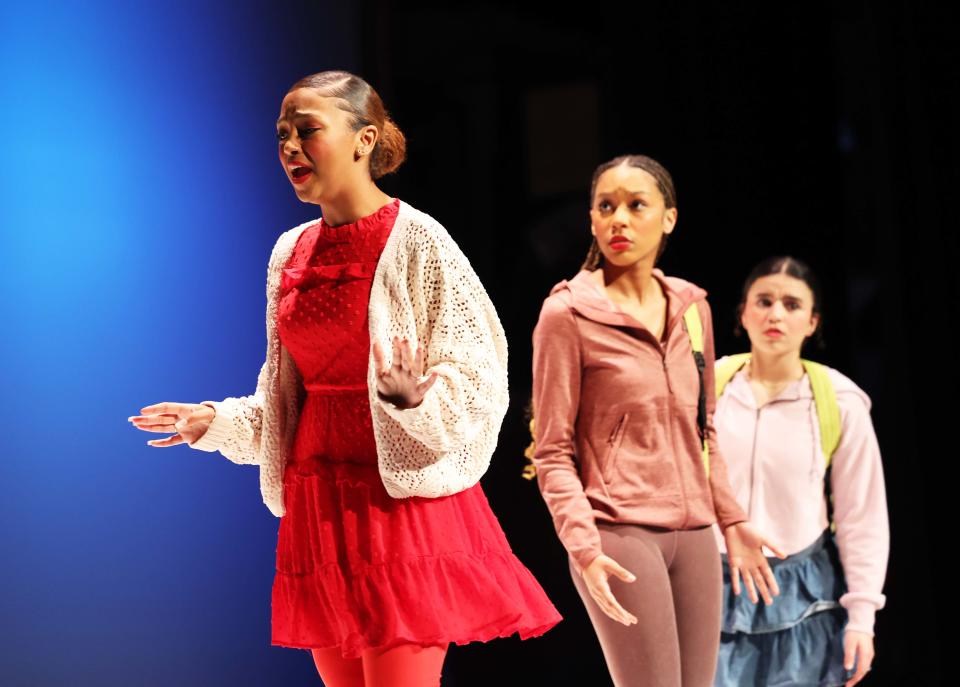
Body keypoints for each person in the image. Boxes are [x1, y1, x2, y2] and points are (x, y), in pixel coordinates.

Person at [128, 70, 560, 687]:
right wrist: (214, 420)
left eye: (308, 131)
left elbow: (480, 375)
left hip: (398, 503)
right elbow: (287, 398)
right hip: (320, 502)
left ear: (365, 140)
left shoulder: (418, 241)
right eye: (282, 135)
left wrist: (414, 400)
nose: (290, 148)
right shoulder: (290, 252)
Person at [528, 153, 783, 687]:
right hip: (619, 531)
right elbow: (551, 451)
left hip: (694, 532)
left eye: (636, 205)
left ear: (668, 217)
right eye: (606, 206)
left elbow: (704, 428)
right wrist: (584, 546)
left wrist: (732, 521)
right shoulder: (567, 314)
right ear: (593, 221)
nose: (619, 219)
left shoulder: (693, 307)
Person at [711, 256, 889, 687]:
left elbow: (861, 516)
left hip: (805, 597)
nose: (776, 314)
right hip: (713, 586)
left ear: (812, 322)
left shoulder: (839, 401)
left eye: (792, 305)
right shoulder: (708, 388)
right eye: (764, 301)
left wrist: (862, 617)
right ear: (743, 314)